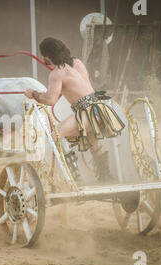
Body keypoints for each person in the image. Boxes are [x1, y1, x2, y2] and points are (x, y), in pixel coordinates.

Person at [24, 37, 125, 182]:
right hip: (99, 109)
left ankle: (75, 179)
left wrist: (33, 94)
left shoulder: (56, 74)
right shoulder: (77, 63)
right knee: (93, 142)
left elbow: (50, 100)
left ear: (47, 56)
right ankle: (105, 177)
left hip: (86, 112)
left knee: (55, 137)